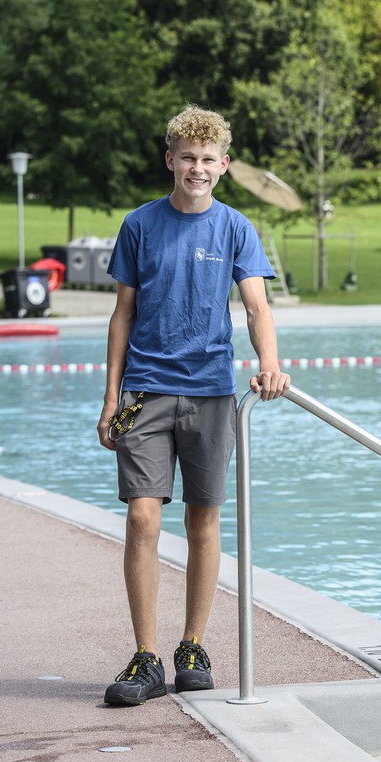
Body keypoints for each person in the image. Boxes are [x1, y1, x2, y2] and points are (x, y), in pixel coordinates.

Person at [97, 105, 290, 706]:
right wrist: (110, 400)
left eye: (208, 160)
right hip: (145, 391)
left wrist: (269, 364)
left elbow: (257, 307)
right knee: (141, 518)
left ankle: (193, 645)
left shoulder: (236, 228)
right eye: (187, 158)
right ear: (170, 160)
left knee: (203, 521)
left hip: (209, 391)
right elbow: (122, 313)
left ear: (224, 166)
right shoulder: (140, 225)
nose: (197, 168)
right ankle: (146, 656)